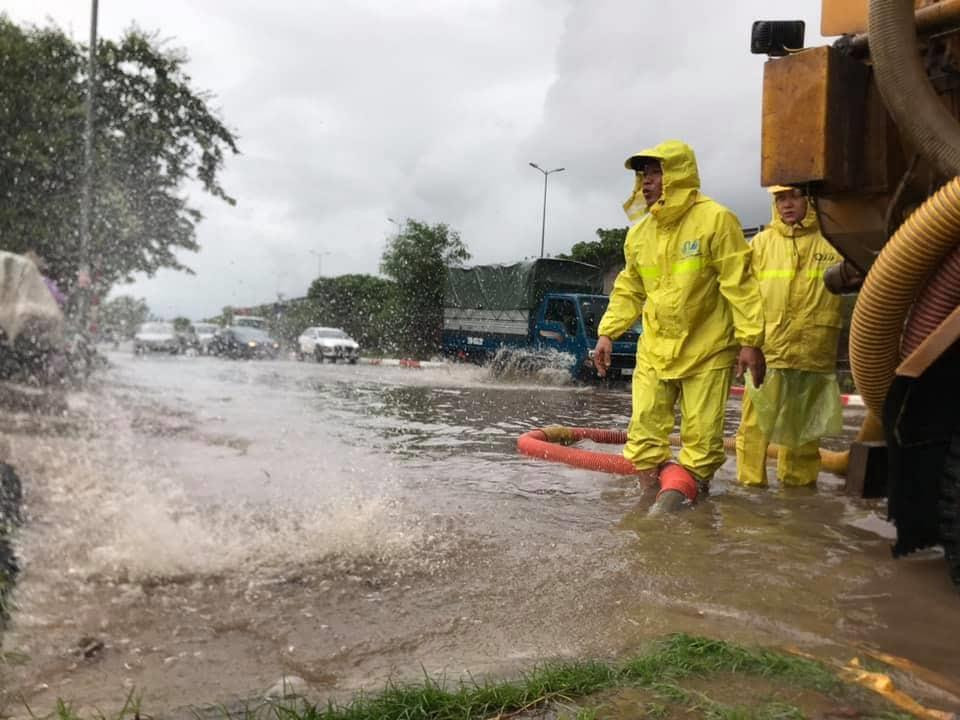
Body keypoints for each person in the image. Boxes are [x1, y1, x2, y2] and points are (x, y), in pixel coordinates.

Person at [593, 140, 766, 507]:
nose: (647, 182)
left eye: (656, 172)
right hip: (656, 348)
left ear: (678, 174)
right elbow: (629, 287)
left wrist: (750, 341)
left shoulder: (716, 220)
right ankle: (648, 512)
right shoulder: (640, 233)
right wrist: (608, 332)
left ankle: (691, 510)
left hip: (708, 349)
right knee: (642, 438)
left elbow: (740, 284)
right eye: (643, 175)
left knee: (701, 443)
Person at [734, 185, 844, 488]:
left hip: (814, 351)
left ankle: (799, 492)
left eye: (794, 196)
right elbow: (745, 299)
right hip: (768, 353)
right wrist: (746, 343)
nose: (786, 204)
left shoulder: (834, 241)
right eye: (780, 198)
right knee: (755, 429)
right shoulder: (760, 244)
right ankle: (749, 490)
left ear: (810, 198)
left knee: (805, 432)